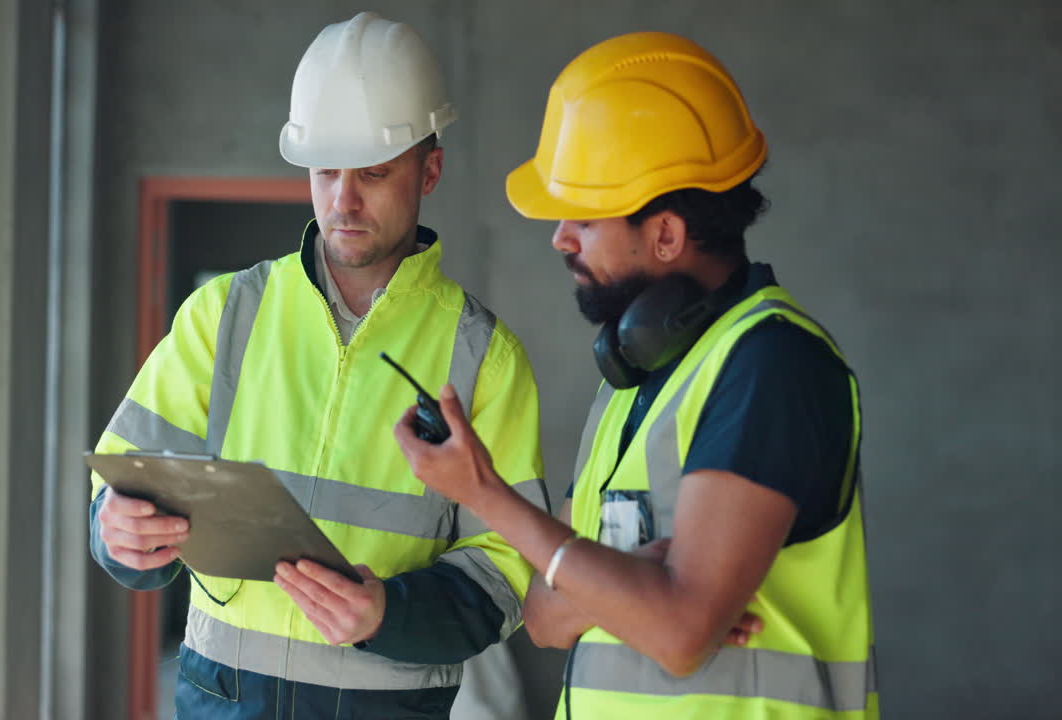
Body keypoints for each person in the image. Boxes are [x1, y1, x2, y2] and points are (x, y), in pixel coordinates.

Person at [394, 31, 878, 719]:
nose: (560, 237)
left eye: (584, 218)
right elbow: (544, 619)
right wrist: (634, 590)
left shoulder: (771, 367)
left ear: (667, 235)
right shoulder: (631, 385)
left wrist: (486, 496)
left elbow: (678, 635)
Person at [87, 11, 550, 719]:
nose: (344, 199)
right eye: (326, 171)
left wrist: (388, 612)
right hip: (223, 704)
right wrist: (117, 530)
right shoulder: (224, 314)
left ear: (430, 170)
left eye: (374, 173)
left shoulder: (485, 357)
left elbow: (508, 574)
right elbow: (126, 476)